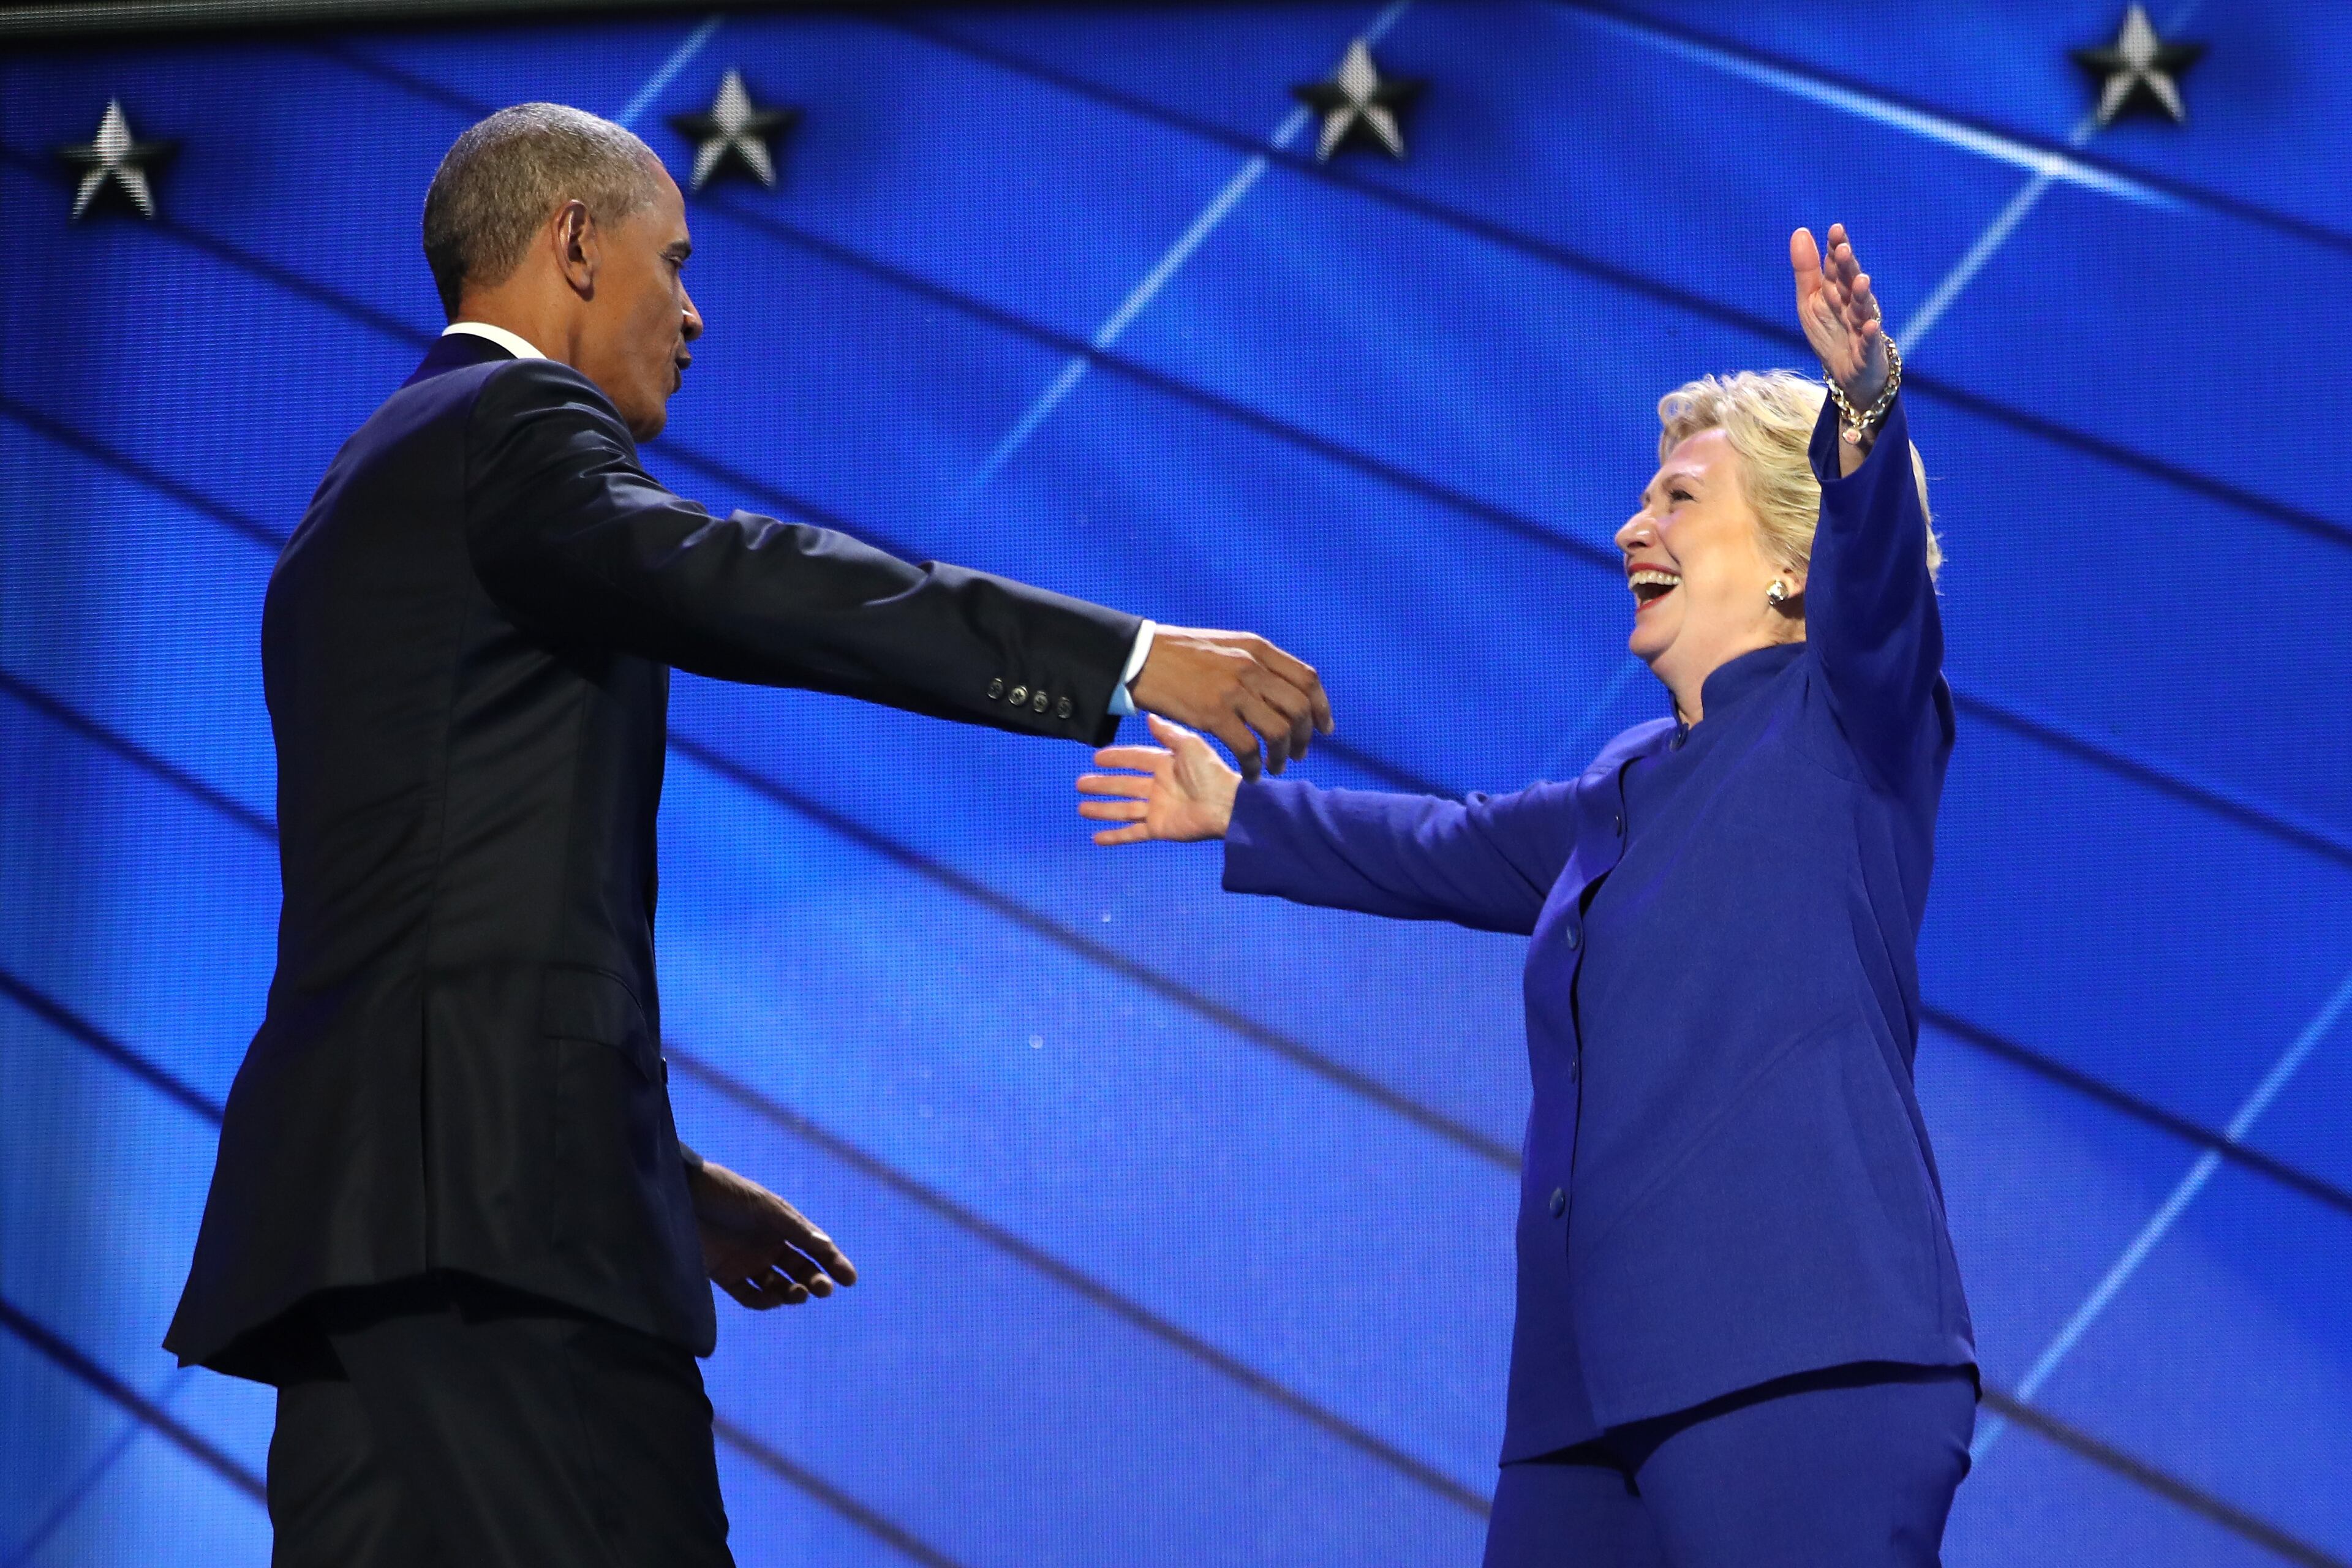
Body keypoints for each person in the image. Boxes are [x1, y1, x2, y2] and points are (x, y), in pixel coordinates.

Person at [162, 102, 1332, 1567]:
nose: (695, 310)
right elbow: (746, 579)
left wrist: (647, 1154)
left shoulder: (353, 491)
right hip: (507, 1240)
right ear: (573, 244)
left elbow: (440, 905)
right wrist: (1126, 655)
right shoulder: (514, 428)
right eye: (675, 260)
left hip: (360, 1239)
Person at [1077, 224, 1975, 1566]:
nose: (1634, 523)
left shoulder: (1851, 718)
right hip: (1580, 1394)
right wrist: (1239, 808)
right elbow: (1452, 843)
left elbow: (1882, 582)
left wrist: (1861, 406)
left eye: (1679, 497)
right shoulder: (1626, 785)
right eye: (1644, 498)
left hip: (1800, 1352)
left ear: (1795, 559)